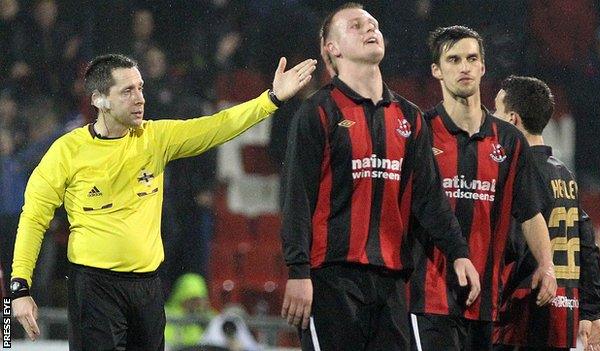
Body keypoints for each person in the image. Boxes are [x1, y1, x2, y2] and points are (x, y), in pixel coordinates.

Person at [9, 53, 316, 350]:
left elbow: (217, 126)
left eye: (141, 88)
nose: (140, 98)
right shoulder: (67, 151)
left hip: (148, 288)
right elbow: (33, 218)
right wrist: (20, 286)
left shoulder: (155, 138)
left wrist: (271, 99)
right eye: (127, 90)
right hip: (94, 288)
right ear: (99, 100)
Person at [280, 4, 480, 350]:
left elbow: (429, 199)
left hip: (391, 282)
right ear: (333, 48)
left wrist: (459, 252)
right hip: (331, 278)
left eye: (373, 24)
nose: (371, 29)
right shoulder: (316, 113)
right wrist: (298, 272)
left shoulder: (410, 118)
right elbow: (297, 198)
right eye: (356, 25)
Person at [408, 26, 557, 351]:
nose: (464, 66)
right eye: (454, 59)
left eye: (471, 58)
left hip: (488, 300)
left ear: (483, 66)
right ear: (436, 70)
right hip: (431, 298)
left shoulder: (509, 140)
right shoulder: (422, 132)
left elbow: (530, 214)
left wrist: (547, 265)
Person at [492, 75, 600, 351]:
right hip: (562, 315)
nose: (491, 120)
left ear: (512, 119)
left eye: (496, 111)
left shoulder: (519, 172)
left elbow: (514, 245)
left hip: (523, 314)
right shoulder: (563, 172)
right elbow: (587, 244)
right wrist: (591, 310)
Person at [165, 273, 217, 349]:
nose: (198, 304)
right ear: (182, 297)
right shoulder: (165, 316)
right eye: (193, 299)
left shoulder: (208, 318)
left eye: (201, 299)